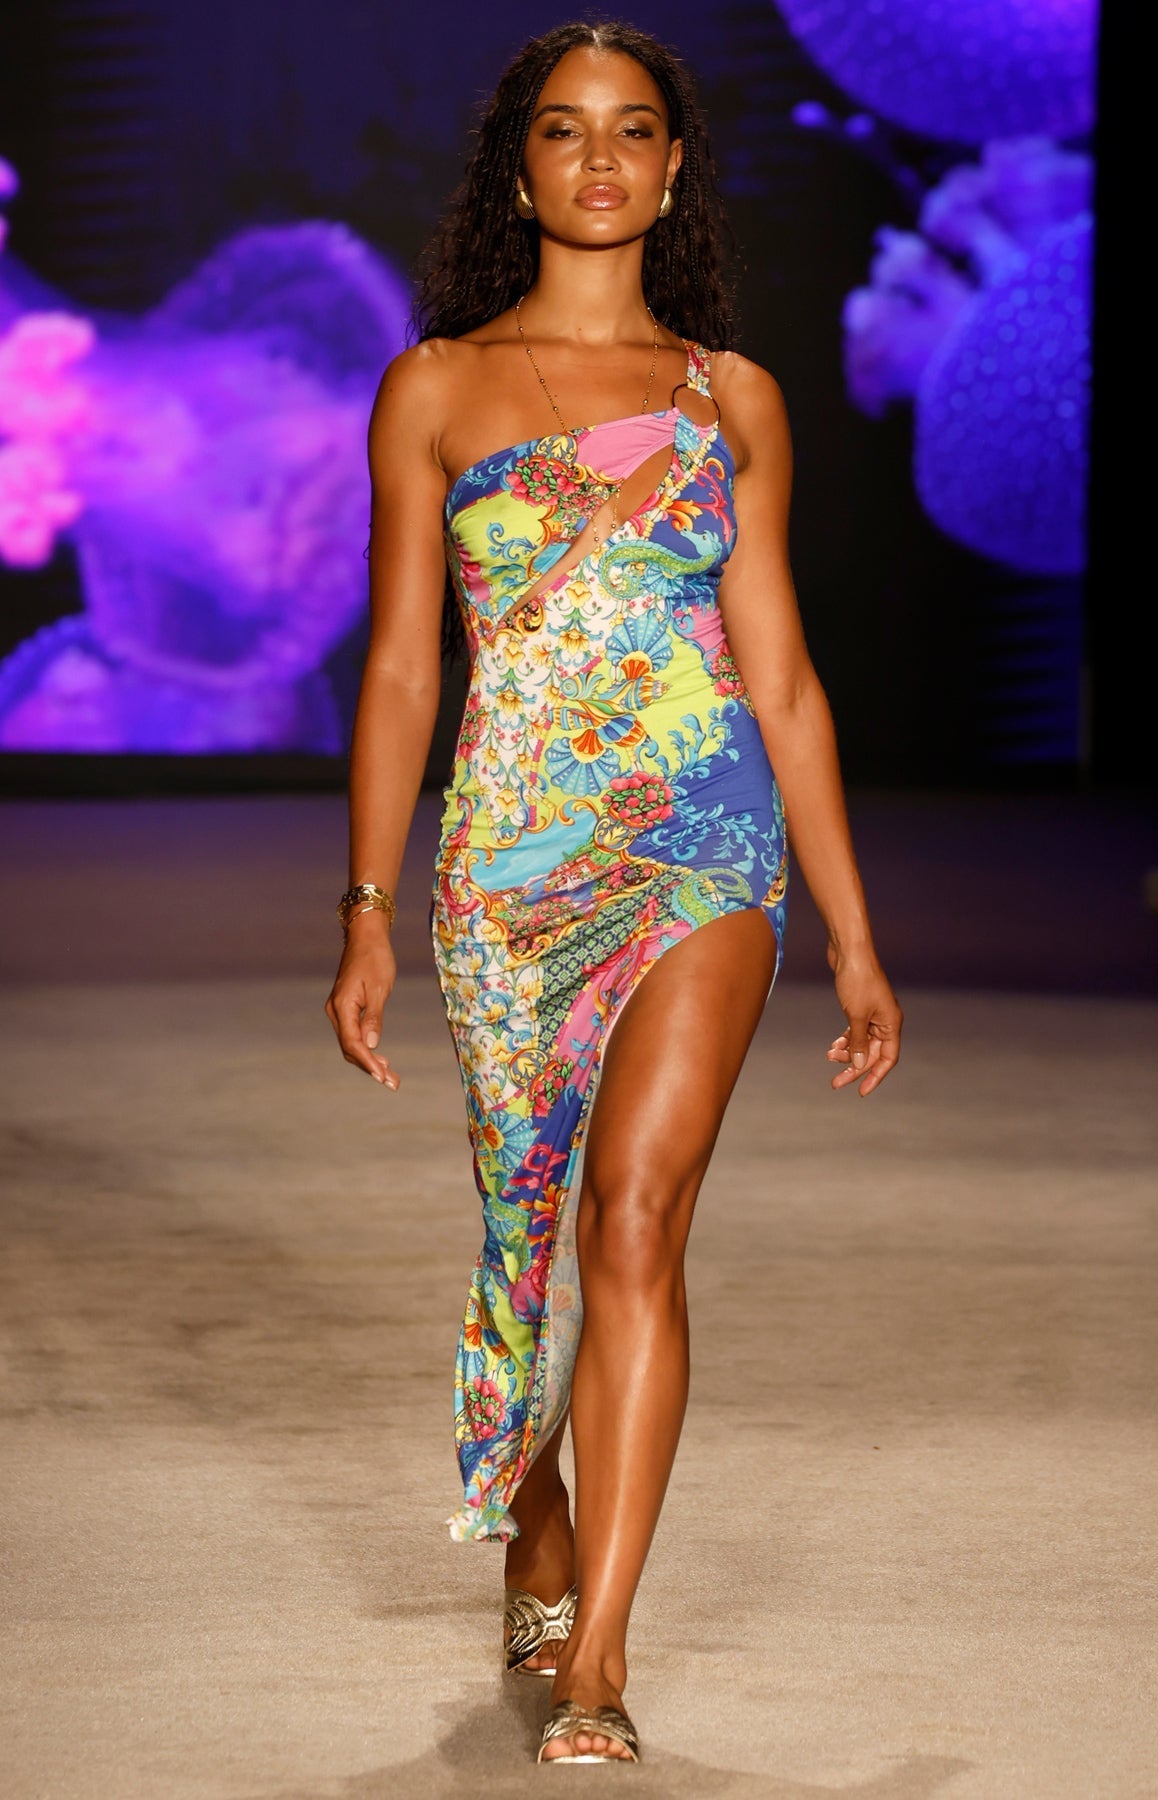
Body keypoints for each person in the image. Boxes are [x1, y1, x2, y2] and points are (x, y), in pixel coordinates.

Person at [325, 19, 902, 1766]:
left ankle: (598, 1661)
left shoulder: (736, 399)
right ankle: (537, 1511)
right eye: (565, 130)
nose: (600, 158)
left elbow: (780, 675)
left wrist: (854, 932)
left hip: (704, 848)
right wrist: (366, 907)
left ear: (671, 168)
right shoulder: (434, 387)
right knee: (526, 1225)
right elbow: (405, 671)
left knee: (633, 1219)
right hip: (507, 866)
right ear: (520, 172)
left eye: (633, 129)